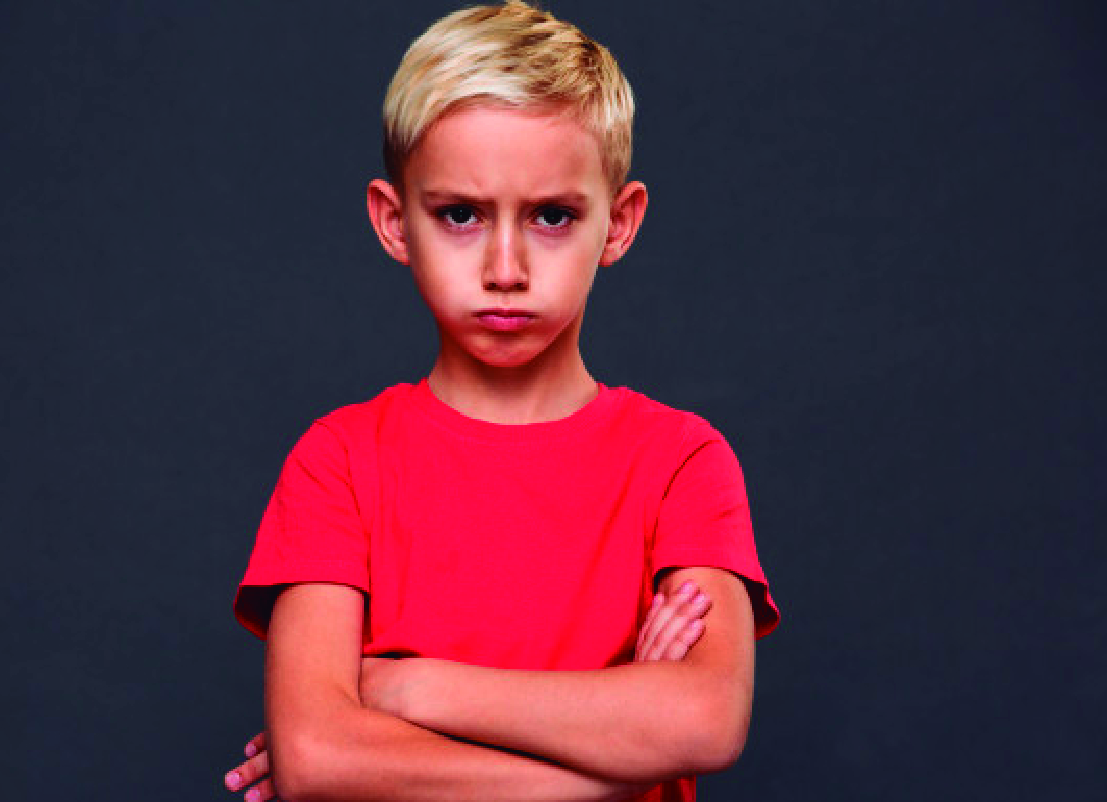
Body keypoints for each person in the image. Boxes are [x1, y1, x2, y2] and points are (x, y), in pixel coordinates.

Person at [222, 2, 780, 800]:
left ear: (618, 224)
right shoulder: (339, 460)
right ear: (394, 222)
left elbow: (701, 722)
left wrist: (409, 690)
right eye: (460, 215)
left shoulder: (681, 462)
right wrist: (613, 768)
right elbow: (319, 757)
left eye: (552, 216)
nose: (506, 267)